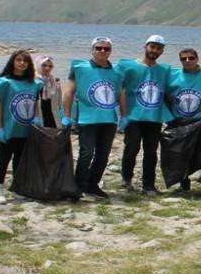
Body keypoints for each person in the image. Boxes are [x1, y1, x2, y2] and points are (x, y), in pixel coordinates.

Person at [63, 37, 123, 199]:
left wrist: (124, 116)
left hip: (109, 120)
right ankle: (78, 186)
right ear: (92, 49)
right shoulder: (79, 67)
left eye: (106, 48)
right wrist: (67, 116)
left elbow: (121, 94)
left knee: (103, 155)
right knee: (86, 153)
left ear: (110, 51)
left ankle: (92, 185)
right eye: (99, 48)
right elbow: (68, 92)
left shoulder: (117, 71)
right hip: (87, 119)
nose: (102, 51)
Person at [118, 35, 173, 196]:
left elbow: (170, 91)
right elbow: (118, 88)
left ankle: (149, 184)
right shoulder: (129, 67)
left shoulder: (163, 70)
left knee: (151, 151)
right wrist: (121, 114)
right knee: (131, 148)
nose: (154, 50)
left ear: (162, 51)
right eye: (152, 47)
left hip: (154, 117)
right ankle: (126, 178)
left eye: (158, 48)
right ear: (145, 46)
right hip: (133, 116)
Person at [0, 50, 42, 204]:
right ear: (12, 62)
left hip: (25, 128)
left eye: (25, 61)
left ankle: (17, 188)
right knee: (4, 158)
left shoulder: (34, 83)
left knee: (20, 159)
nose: (22, 63)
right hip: (7, 127)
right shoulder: (3, 83)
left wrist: (38, 118)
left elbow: (35, 103)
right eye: (18, 60)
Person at [166, 47, 201, 192]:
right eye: (183, 59)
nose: (187, 61)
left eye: (191, 58)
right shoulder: (173, 77)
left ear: (197, 59)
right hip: (178, 121)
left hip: (199, 121)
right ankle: (183, 182)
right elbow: (164, 97)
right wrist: (168, 117)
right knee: (179, 154)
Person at [35, 55, 63, 128]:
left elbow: (59, 101)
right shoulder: (33, 81)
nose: (47, 68)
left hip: (53, 116)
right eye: (44, 65)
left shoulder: (54, 81)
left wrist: (62, 115)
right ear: (38, 65)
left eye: (50, 66)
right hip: (37, 116)